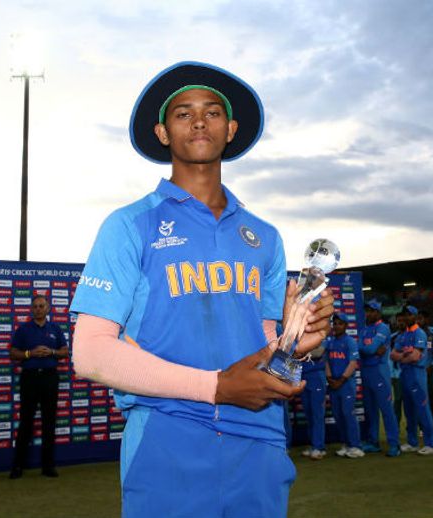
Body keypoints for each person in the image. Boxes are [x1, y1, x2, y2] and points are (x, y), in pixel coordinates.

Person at [69, 62, 334, 517]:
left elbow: (266, 349)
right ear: (163, 132)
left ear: (230, 129)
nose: (198, 121)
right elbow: (90, 353)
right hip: (166, 437)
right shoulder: (129, 225)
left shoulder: (264, 236)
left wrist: (298, 347)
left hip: (258, 436)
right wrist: (215, 388)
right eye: (183, 113)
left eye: (211, 112)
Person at [9, 295, 70, 478]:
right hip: (30, 378)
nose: (38, 309)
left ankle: (48, 466)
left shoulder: (55, 329)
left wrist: (51, 352)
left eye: (41, 306)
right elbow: (13, 353)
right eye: (35, 306)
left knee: (49, 422)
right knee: (26, 422)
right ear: (31, 309)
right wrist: (30, 353)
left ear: (48, 308)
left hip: (50, 378)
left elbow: (65, 352)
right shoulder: (23, 329)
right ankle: (18, 466)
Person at [390, 306, 433, 455]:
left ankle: (430, 444)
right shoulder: (402, 336)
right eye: (405, 315)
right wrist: (406, 354)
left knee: (422, 408)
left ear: (415, 317)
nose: (406, 318)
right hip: (405, 373)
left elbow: (416, 357)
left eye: (409, 315)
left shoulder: (419, 333)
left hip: (417, 374)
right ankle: (412, 442)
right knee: (409, 410)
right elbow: (392, 355)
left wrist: (402, 356)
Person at [358, 300, 400, 456]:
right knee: (371, 411)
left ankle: (394, 444)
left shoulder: (383, 328)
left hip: (380, 373)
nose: (369, 314)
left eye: (372, 311)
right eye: (367, 311)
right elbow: (367, 349)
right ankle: (373, 442)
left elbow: (369, 349)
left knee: (387, 410)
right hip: (366, 372)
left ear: (378, 312)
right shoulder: (364, 329)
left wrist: (367, 350)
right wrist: (368, 350)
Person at [325, 313, 363, 458]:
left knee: (348, 414)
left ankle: (356, 446)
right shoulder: (331, 342)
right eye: (335, 323)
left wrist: (340, 380)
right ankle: (346, 444)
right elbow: (327, 362)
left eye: (340, 323)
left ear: (346, 326)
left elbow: (353, 363)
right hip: (333, 384)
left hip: (346, 384)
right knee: (338, 415)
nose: (337, 326)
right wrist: (329, 378)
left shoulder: (350, 342)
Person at [299, 342, 327, 460]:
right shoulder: (300, 336)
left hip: (316, 376)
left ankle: (319, 447)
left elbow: (318, 352)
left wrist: (301, 352)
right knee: (309, 414)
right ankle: (314, 445)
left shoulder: (319, 334)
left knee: (317, 414)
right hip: (303, 376)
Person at [418, 310, 433, 434]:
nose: (419, 320)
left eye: (421, 318)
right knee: (421, 400)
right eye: (418, 318)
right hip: (418, 372)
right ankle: (422, 427)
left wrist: (432, 366)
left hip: (431, 372)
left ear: (427, 319)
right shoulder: (413, 335)